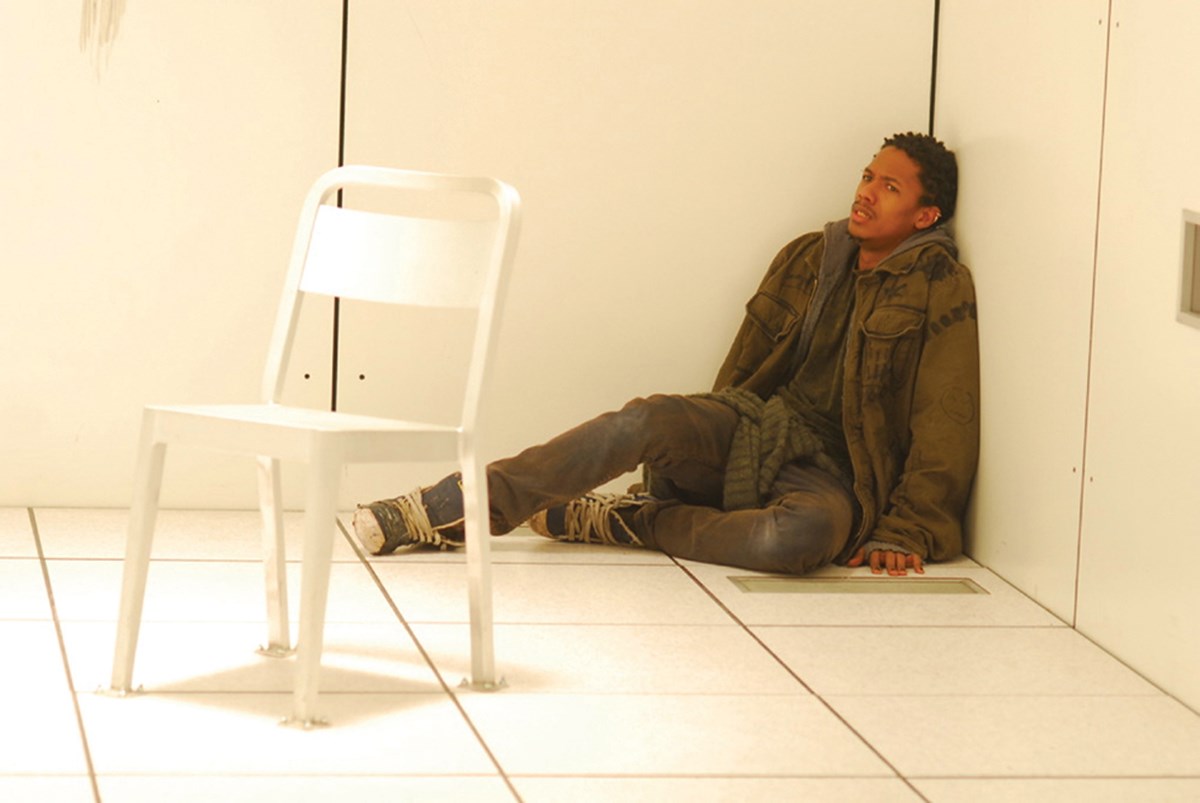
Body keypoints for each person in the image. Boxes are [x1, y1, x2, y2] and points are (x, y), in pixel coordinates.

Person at [353, 132, 979, 577]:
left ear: (925, 215)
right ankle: (455, 506)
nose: (866, 193)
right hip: (757, 428)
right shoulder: (809, 256)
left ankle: (631, 522)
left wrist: (908, 527)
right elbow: (744, 371)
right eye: (868, 176)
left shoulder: (938, 285)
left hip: (836, 474)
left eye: (889, 187)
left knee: (799, 540)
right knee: (646, 419)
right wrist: (700, 451)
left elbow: (946, 417)